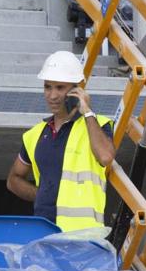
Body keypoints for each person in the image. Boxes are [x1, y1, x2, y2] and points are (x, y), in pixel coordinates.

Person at [7, 50, 115, 232]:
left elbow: (105, 157)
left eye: (60, 88)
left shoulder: (97, 125)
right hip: (44, 234)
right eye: (47, 87)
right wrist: (41, 195)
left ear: (76, 90)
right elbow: (13, 180)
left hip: (83, 236)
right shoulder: (35, 134)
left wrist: (87, 111)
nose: (52, 95)